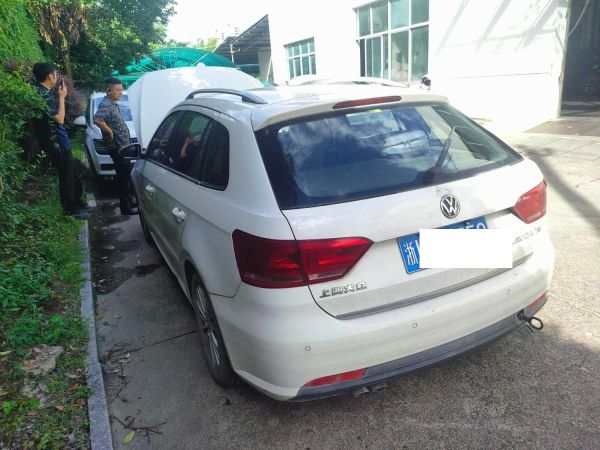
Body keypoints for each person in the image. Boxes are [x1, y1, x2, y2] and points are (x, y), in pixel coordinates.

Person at [32, 62, 87, 218]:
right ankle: (70, 211)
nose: (57, 77)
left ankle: (77, 203)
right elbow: (59, 119)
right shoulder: (41, 94)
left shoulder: (44, 92)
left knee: (72, 173)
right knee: (66, 177)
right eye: (55, 74)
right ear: (50, 77)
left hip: (60, 141)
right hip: (56, 143)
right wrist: (62, 97)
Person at [93, 77, 138, 215]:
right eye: (117, 90)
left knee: (126, 176)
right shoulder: (106, 104)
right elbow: (97, 119)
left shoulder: (113, 103)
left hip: (123, 147)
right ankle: (126, 208)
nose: (120, 93)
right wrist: (109, 131)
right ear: (109, 90)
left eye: (121, 90)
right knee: (123, 177)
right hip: (117, 147)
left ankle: (129, 202)